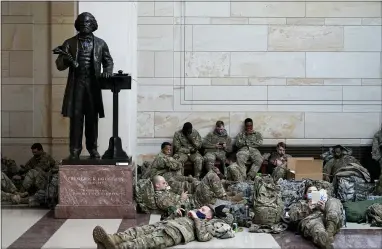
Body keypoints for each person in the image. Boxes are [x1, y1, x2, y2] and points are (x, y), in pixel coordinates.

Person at [54, 12, 114, 159]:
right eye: (81, 23)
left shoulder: (100, 43)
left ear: (93, 25)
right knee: (76, 119)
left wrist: (107, 71)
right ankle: (75, 150)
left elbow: (108, 61)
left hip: (93, 86)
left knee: (92, 120)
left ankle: (93, 148)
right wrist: (67, 60)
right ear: (77, 25)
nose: (84, 25)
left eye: (87, 22)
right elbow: (59, 65)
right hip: (77, 86)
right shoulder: (69, 43)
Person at [93, 205, 235, 249]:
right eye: (200, 208)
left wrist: (197, 218)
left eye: (203, 210)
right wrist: (175, 213)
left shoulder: (207, 224)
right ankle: (111, 239)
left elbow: (203, 237)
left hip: (173, 234)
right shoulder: (189, 215)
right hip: (165, 224)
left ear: (209, 216)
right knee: (137, 231)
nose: (199, 210)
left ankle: (116, 248)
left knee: (144, 241)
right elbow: (168, 219)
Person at [288, 184, 343, 249]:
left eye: (315, 191)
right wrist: (308, 209)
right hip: (313, 220)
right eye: (310, 192)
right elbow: (292, 217)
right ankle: (326, 239)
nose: (313, 193)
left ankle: (329, 232)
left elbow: (336, 209)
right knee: (320, 232)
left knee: (333, 202)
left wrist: (324, 208)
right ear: (306, 195)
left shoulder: (326, 201)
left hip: (329, 219)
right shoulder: (300, 204)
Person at [152, 173, 227, 218]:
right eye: (163, 183)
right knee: (211, 176)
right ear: (157, 185)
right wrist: (182, 198)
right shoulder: (161, 199)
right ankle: (224, 197)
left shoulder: (164, 191)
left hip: (193, 198)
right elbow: (175, 211)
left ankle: (226, 198)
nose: (166, 184)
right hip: (194, 203)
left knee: (207, 185)